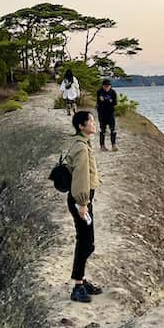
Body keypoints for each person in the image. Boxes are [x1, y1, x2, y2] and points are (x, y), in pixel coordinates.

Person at [66, 110, 103, 303]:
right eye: (91, 121)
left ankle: (81, 280)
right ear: (82, 126)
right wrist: (82, 203)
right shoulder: (81, 147)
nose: (94, 123)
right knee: (85, 242)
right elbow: (80, 177)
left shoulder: (83, 144)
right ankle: (78, 286)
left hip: (82, 200)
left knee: (87, 241)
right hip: (80, 200)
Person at [96, 78, 118, 151]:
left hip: (110, 113)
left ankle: (113, 145)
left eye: (108, 86)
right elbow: (99, 102)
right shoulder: (99, 92)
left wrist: (108, 100)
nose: (107, 87)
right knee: (103, 130)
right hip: (102, 113)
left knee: (113, 129)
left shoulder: (113, 92)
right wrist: (106, 101)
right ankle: (102, 146)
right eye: (105, 86)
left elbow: (115, 103)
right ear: (103, 86)